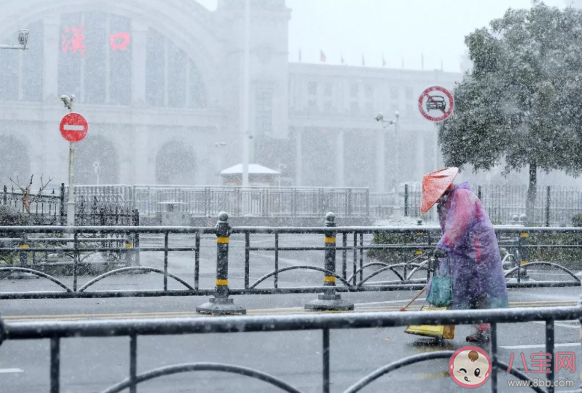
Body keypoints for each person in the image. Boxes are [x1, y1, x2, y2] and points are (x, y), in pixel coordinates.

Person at [421, 167, 509, 343]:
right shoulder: (446, 202)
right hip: (464, 251)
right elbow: (451, 227)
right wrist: (445, 245)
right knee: (462, 287)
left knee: (478, 289)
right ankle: (460, 326)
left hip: (477, 252)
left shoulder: (461, 196)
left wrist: (444, 244)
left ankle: (482, 329)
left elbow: (460, 221)